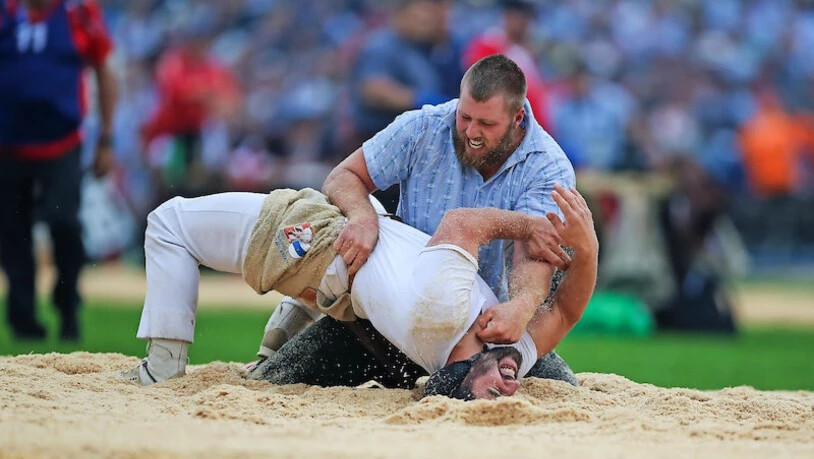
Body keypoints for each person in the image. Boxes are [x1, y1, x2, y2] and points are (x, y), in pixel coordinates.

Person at [121, 184, 596, 400]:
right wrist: (588, 247)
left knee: (169, 224)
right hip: (354, 260)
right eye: (505, 396)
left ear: (459, 375)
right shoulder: (504, 350)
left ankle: (162, 368)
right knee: (352, 282)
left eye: (493, 396)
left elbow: (461, 224)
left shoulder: (442, 314)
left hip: (320, 243)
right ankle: (287, 324)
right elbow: (569, 308)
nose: (511, 388)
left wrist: (528, 225)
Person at [263, 54, 576, 365]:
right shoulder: (423, 127)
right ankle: (296, 317)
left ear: (517, 118)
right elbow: (344, 176)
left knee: (561, 389)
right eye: (465, 117)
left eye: (486, 124)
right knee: (276, 376)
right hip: (392, 312)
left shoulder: (548, 167)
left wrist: (520, 307)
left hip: (483, 325)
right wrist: (362, 218)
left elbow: (535, 254)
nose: (471, 132)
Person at [0, 0, 116, 340]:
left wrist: (106, 140)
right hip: (7, 147)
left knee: (64, 223)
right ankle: (24, 321)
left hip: (61, 144)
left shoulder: (79, 13)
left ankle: (67, 304)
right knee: (11, 233)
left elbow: (103, 70)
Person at [463, 0, 553, 132]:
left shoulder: (526, 52)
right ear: (507, 16)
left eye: (526, 17)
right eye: (518, 16)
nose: (523, 22)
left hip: (534, 126)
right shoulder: (490, 43)